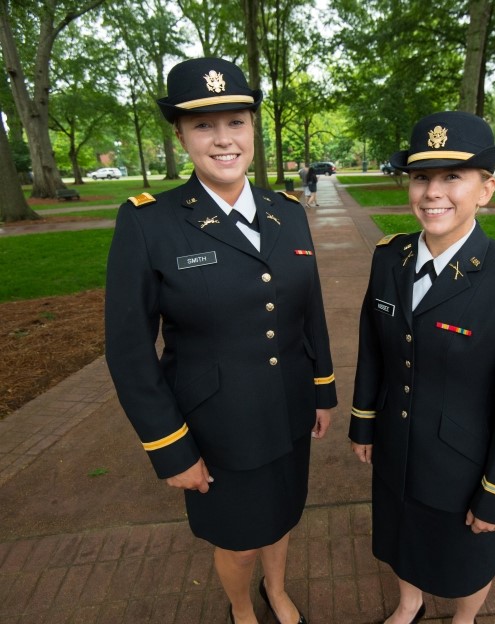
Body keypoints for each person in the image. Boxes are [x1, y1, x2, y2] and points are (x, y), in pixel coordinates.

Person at [105, 57, 337, 624]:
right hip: (217, 424)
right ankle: (242, 609)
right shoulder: (150, 222)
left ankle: (276, 591)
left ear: (253, 129)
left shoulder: (288, 213)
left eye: (235, 121)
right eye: (204, 125)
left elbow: (310, 308)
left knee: (282, 515)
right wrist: (169, 446)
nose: (223, 139)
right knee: (237, 538)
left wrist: (323, 388)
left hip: (288, 406)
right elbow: (129, 347)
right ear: (181, 135)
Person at [349, 111, 495, 624]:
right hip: (396, 450)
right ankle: (409, 602)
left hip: (462, 465)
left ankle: (463, 620)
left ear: (485, 189)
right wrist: (364, 422)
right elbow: (372, 347)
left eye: (452, 177)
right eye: (421, 177)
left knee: (467, 559)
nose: (432, 193)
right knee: (400, 539)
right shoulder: (388, 258)